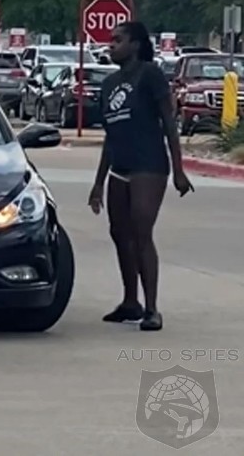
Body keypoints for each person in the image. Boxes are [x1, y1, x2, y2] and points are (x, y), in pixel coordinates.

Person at [88, 21, 194, 332]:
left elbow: (168, 123)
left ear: (135, 44)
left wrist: (179, 169)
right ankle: (129, 302)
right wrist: (97, 183)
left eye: (118, 40)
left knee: (140, 229)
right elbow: (111, 135)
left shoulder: (150, 74)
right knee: (119, 232)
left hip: (148, 165)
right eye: (110, 40)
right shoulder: (109, 84)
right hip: (119, 167)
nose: (111, 45)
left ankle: (152, 308)